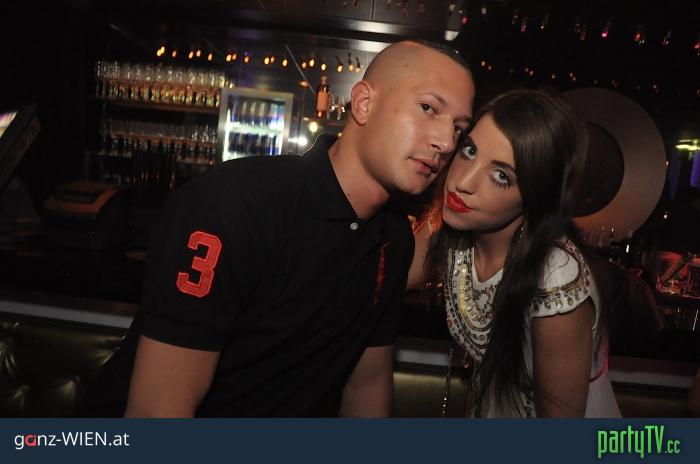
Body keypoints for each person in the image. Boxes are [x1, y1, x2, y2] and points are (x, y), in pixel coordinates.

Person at [83, 39, 475, 417]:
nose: (446, 142)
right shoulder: (234, 205)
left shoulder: (391, 240)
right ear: (363, 103)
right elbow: (157, 412)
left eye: (459, 129)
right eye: (428, 108)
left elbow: (366, 389)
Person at [408, 89, 621, 417]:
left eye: (501, 176)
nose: (463, 181)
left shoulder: (554, 276)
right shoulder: (453, 223)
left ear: (535, 195)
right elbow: (383, 279)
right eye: (469, 150)